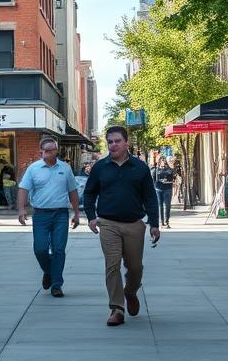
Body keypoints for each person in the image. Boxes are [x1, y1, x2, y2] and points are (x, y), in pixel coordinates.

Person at [83, 125, 160, 326]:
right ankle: (116, 308)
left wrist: (154, 223)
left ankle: (130, 291)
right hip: (108, 223)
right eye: (110, 141)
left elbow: (150, 197)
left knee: (135, 267)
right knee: (112, 264)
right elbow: (89, 193)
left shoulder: (140, 167)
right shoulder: (100, 167)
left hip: (134, 224)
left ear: (127, 143)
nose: (113, 144)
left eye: (117, 141)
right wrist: (91, 216)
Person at [17, 136, 80, 298]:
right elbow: (23, 189)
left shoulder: (65, 168)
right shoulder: (34, 168)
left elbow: (73, 191)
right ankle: (49, 271)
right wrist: (21, 209)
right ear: (41, 151)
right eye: (45, 151)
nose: (48, 153)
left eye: (51, 150)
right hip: (40, 215)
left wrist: (77, 213)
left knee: (59, 249)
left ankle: (56, 284)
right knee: (40, 249)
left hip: (60, 214)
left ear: (56, 151)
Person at [152, 157, 177, 228]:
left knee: (167, 205)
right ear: (159, 161)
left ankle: (167, 221)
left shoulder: (169, 170)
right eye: (161, 160)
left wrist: (172, 168)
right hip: (158, 189)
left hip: (167, 189)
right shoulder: (156, 170)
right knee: (160, 206)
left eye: (164, 160)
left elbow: (174, 178)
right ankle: (162, 222)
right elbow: (153, 181)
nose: (163, 162)